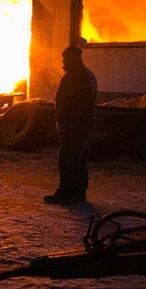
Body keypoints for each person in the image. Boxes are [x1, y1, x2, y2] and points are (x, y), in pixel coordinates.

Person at [44, 46, 98, 205]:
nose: (63, 62)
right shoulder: (86, 74)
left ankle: (66, 194)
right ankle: (77, 194)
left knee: (69, 160)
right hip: (81, 127)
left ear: (72, 58)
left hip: (73, 127)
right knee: (78, 161)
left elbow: (69, 104)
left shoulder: (75, 77)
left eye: (65, 59)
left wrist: (63, 122)